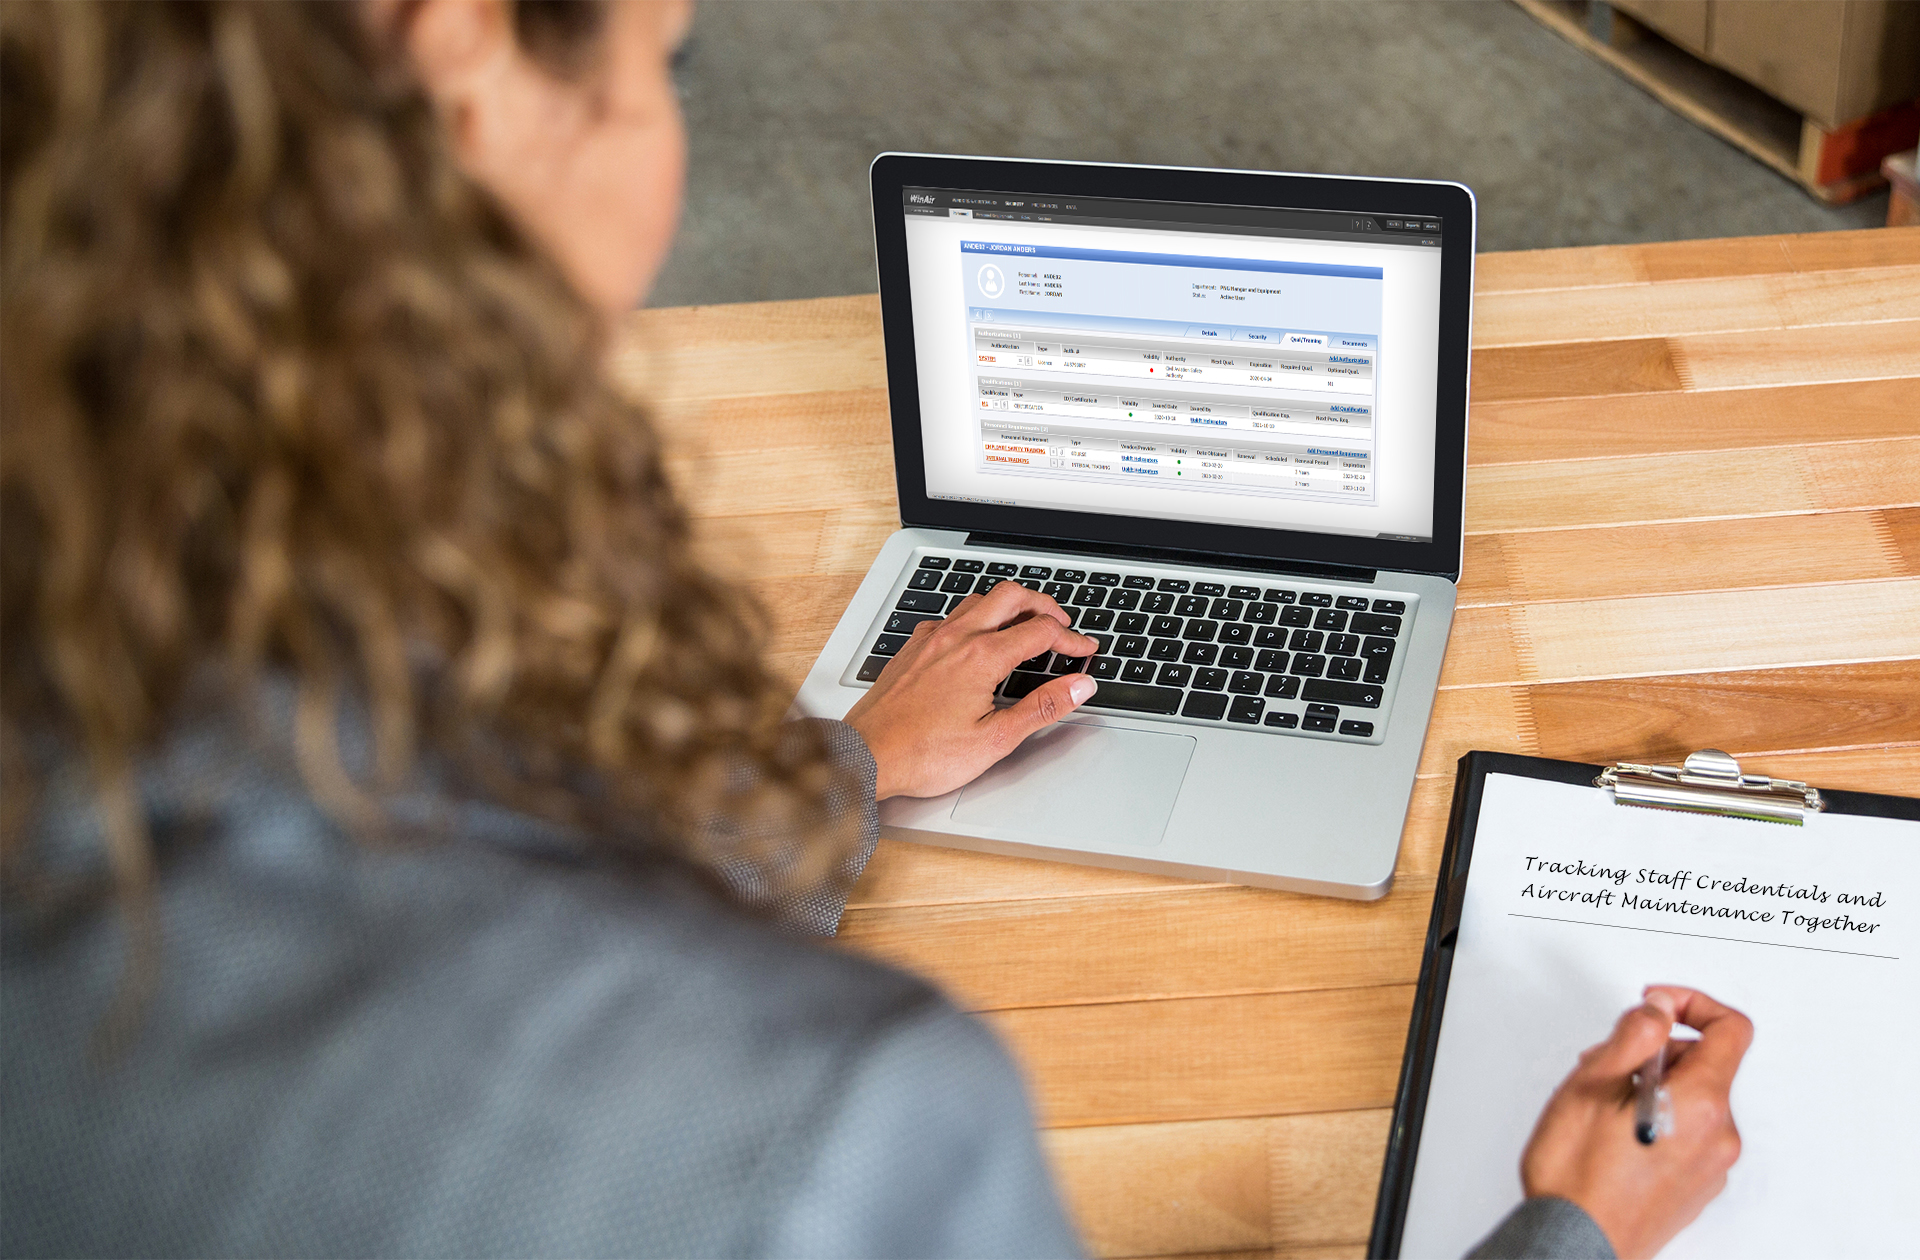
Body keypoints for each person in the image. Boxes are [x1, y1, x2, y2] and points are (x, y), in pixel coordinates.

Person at [0, 2, 1750, 1257]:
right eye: (658, 56)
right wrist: (1573, 1235)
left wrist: (837, 769)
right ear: (461, 69)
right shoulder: (826, 1135)